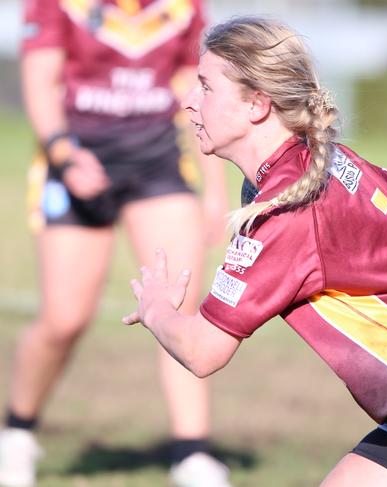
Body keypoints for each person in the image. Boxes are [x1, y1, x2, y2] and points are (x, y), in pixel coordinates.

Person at [122, 17, 387, 487]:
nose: (187, 101)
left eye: (204, 86)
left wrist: (157, 309)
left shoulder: (286, 211)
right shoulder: (325, 159)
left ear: (256, 104)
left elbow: (203, 351)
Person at [0, 1, 232, 487]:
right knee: (64, 318)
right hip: (77, 160)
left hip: (159, 167)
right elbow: (41, 82)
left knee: (179, 306)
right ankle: (17, 433)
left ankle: (192, 454)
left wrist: (215, 191)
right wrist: (64, 156)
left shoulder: (181, 7)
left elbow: (196, 91)